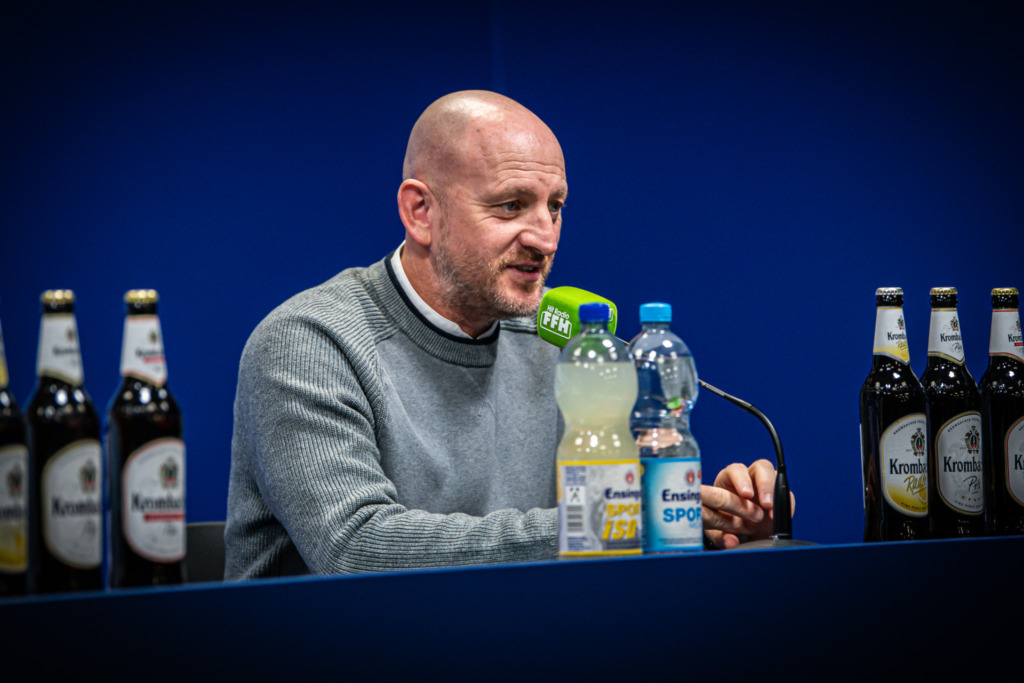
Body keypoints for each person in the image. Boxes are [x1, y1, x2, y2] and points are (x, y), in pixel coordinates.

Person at [224, 90, 792, 579]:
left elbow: (634, 522)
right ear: (421, 212)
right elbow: (358, 549)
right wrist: (605, 524)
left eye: (556, 206)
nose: (545, 237)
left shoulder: (569, 341)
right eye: (511, 205)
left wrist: (718, 514)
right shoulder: (310, 342)